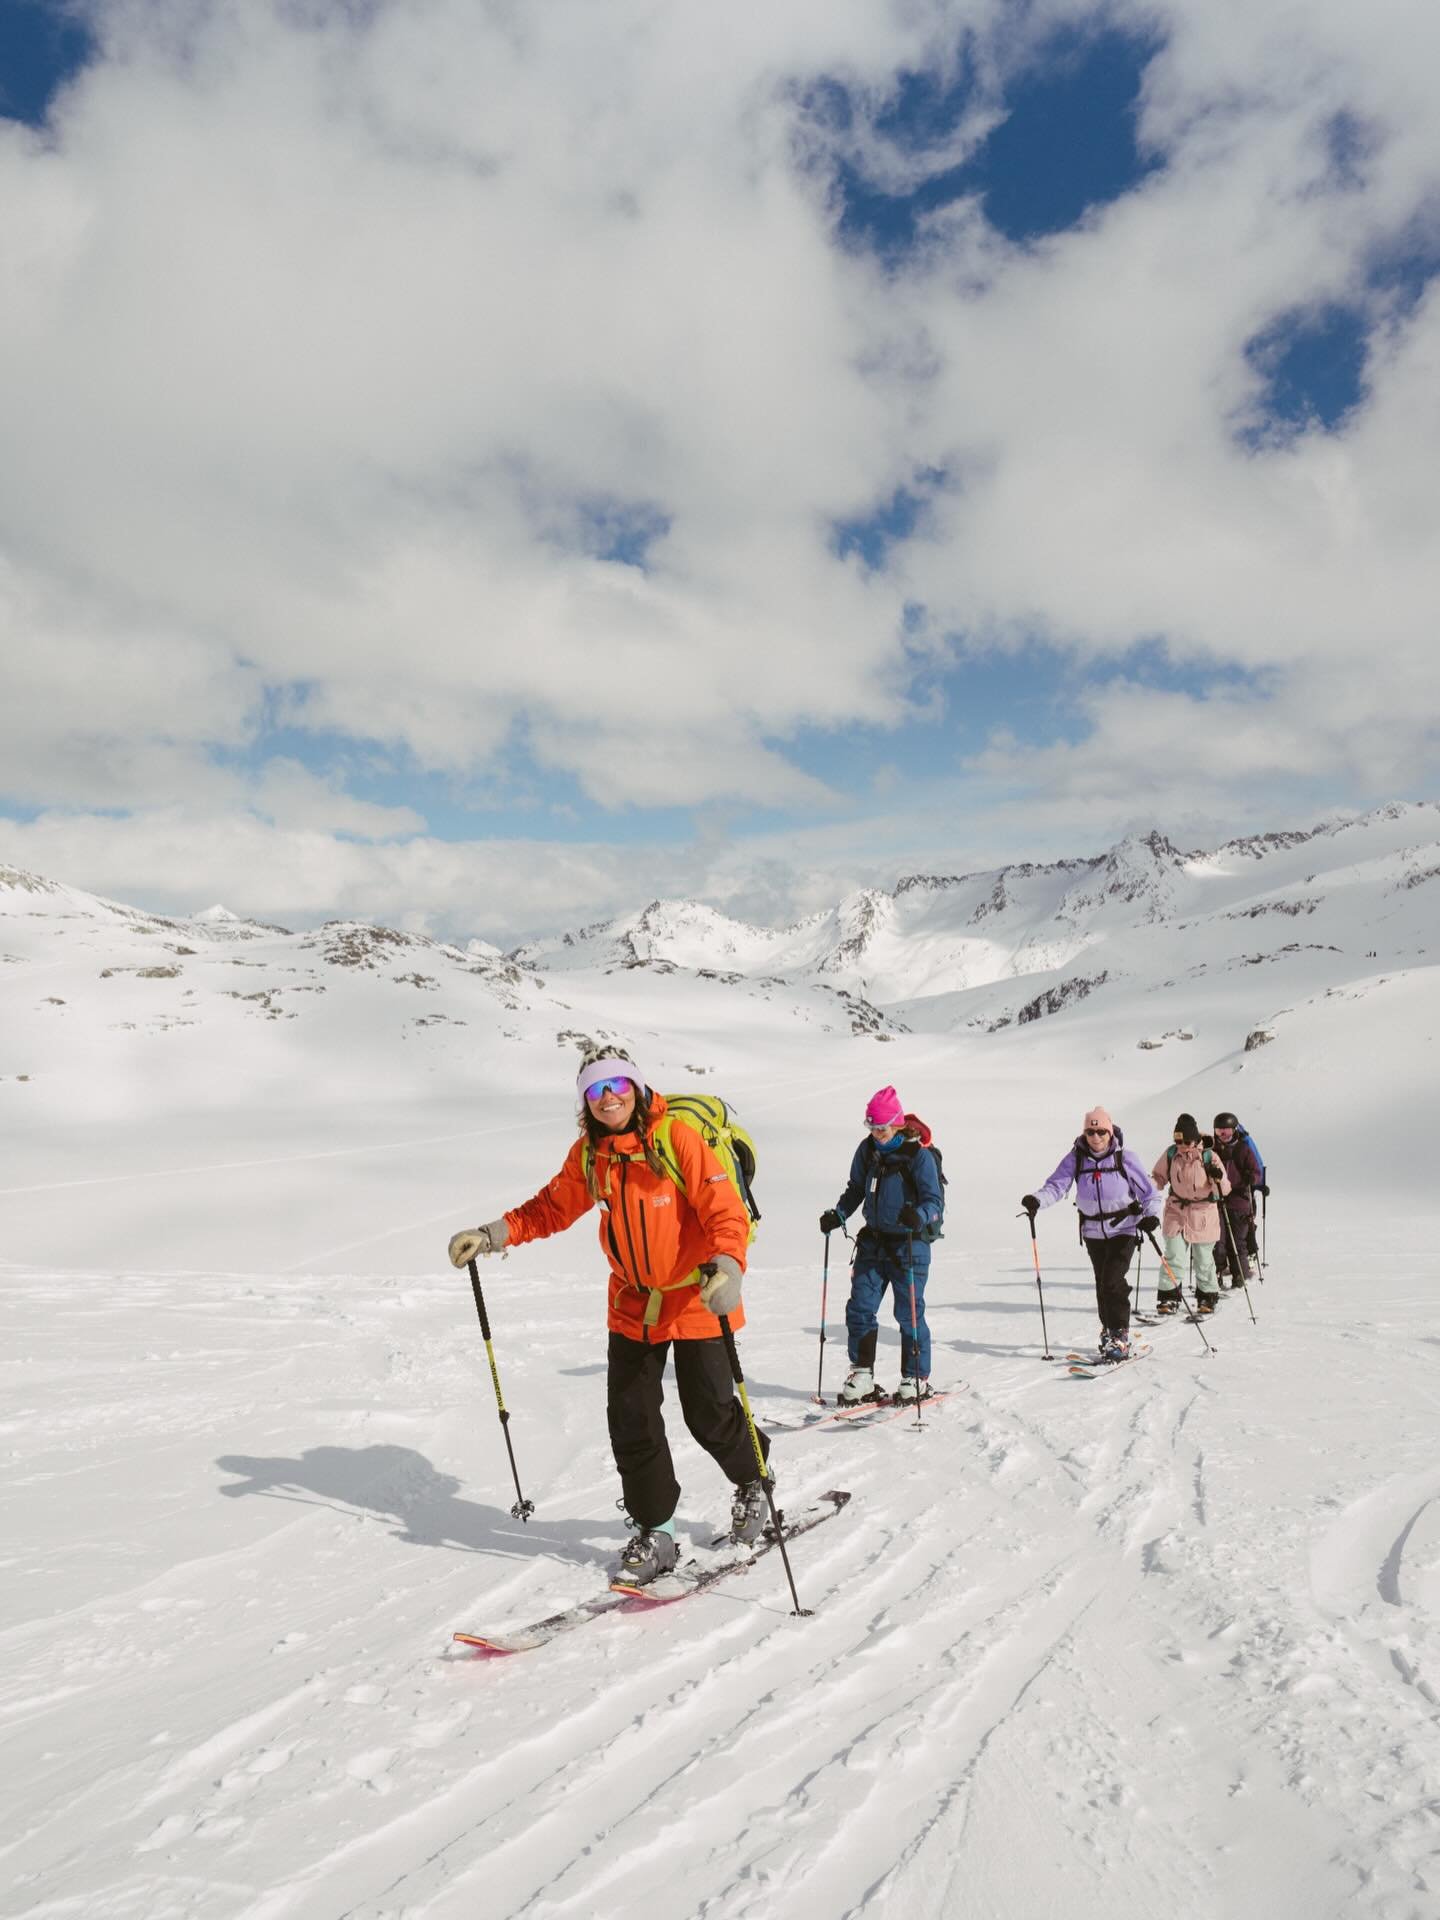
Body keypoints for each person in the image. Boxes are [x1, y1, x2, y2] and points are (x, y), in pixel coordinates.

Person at [447, 1046, 769, 1587]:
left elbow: (723, 1210)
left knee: (709, 1413)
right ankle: (656, 1529)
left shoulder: (677, 1141)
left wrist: (728, 1266)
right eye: (595, 1090)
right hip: (633, 1303)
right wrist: (491, 1234)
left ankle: (754, 1481)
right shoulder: (591, 1155)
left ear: (637, 1089)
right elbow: (550, 1207)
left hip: (697, 1294)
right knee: (632, 1417)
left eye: (617, 1085)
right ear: (584, 1103)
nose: (608, 1097)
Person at [818, 1086, 943, 1404]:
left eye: (882, 1128)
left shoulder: (920, 1157)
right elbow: (855, 1188)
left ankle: (915, 1378)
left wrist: (919, 1215)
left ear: (898, 1124)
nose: (876, 1133)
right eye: (871, 1127)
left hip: (910, 1244)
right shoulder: (867, 1150)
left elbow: (934, 1200)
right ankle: (862, 1375)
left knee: (909, 1313)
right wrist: (839, 1214)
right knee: (859, 1308)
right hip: (873, 1242)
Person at [1021, 1105, 1157, 1359]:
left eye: (1101, 1132)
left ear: (1110, 1132)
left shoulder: (1124, 1158)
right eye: (1090, 1132)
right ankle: (1108, 1329)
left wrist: (1151, 1218)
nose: (1096, 1138)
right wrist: (1037, 1200)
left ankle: (1119, 1336)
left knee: (1113, 1281)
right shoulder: (1076, 1158)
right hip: (1093, 1231)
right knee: (1102, 1283)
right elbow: (1056, 1185)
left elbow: (1149, 1193)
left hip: (1124, 1228)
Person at [1150, 1114, 1230, 1314]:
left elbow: (1224, 1190)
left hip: (1203, 1213)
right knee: (1174, 1256)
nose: (1182, 1145)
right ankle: (1168, 1297)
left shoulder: (1209, 1157)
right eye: (1178, 1140)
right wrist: (1145, 1188)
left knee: (1204, 1259)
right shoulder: (1171, 1154)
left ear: (1195, 1139)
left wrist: (1216, 1179)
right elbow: (1158, 1177)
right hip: (1176, 1211)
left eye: (1186, 1141)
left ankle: (1207, 1296)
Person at [1210, 1111, 1263, 1286]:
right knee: (1218, 1241)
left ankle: (1239, 1274)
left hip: (1239, 1201)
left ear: (1234, 1130)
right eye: (1219, 1132)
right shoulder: (1212, 1150)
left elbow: (1257, 1172)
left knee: (1237, 1242)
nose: (1222, 1136)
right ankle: (1216, 1273)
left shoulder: (1242, 1149)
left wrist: (1250, 1178)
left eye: (1226, 1132)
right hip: (1218, 1201)